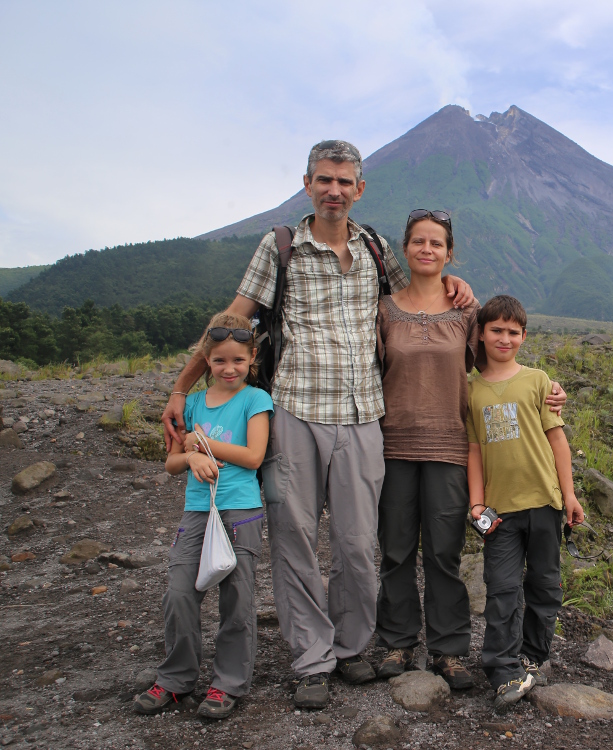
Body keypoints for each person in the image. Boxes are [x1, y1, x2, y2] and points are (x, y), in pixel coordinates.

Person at [160, 140, 475, 710]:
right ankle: (311, 658)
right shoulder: (279, 246)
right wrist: (183, 387)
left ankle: (352, 646)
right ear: (307, 184)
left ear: (360, 188)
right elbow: (232, 320)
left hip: (363, 417)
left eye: (345, 181)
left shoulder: (378, 248)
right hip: (295, 413)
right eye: (324, 180)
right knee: (295, 539)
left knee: (358, 543)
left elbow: (418, 290)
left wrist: (460, 287)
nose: (334, 190)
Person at [374, 211, 567, 690]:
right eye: (418, 241)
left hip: (450, 446)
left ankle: (448, 650)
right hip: (394, 443)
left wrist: (548, 390)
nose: (426, 249)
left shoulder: (466, 311)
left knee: (444, 551)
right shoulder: (383, 310)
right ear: (405, 248)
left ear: (449, 252)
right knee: (396, 549)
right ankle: (398, 641)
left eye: (436, 243)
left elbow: (501, 365)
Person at [136, 312, 273, 719]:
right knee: (179, 592)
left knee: (237, 599)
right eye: (219, 361)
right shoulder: (192, 404)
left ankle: (227, 684)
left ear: (252, 360)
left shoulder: (255, 400)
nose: (229, 369)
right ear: (206, 361)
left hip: (240, 511)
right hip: (196, 511)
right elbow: (171, 464)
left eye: (238, 360)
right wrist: (192, 454)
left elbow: (254, 456)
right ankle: (177, 679)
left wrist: (204, 443)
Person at [467, 295, 585, 712]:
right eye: (496, 330)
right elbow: (476, 450)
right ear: (480, 332)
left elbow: (557, 441)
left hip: (545, 504)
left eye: (512, 332)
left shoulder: (538, 381)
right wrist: (476, 504)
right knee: (501, 589)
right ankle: (502, 670)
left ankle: (533, 655)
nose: (504, 338)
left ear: (524, 336)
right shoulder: (470, 388)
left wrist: (568, 495)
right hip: (500, 512)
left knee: (543, 585)